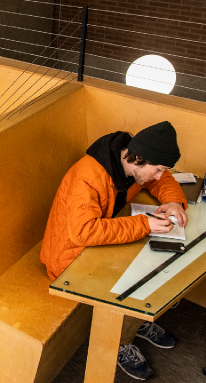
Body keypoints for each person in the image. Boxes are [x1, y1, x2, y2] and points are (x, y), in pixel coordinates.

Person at [40, 121, 189, 381]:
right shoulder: (89, 175)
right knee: (138, 277)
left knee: (152, 264)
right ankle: (119, 340)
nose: (158, 176)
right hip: (71, 258)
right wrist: (145, 224)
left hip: (97, 245)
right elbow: (83, 232)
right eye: (157, 169)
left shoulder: (131, 161)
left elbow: (161, 181)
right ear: (139, 159)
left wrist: (173, 200)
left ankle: (132, 323)